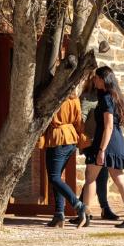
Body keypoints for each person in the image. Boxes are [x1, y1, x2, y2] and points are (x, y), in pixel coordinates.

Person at [75, 66, 124, 229]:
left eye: (96, 78)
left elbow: (108, 126)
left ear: (103, 79)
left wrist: (101, 150)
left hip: (106, 141)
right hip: (115, 141)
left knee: (91, 178)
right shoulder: (114, 95)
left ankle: (85, 215)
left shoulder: (106, 98)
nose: (94, 80)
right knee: (118, 178)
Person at [40, 86, 89, 227]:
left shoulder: (54, 98)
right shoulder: (74, 98)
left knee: (54, 177)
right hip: (71, 138)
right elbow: (78, 121)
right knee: (57, 179)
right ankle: (59, 215)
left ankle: (79, 206)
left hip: (57, 138)